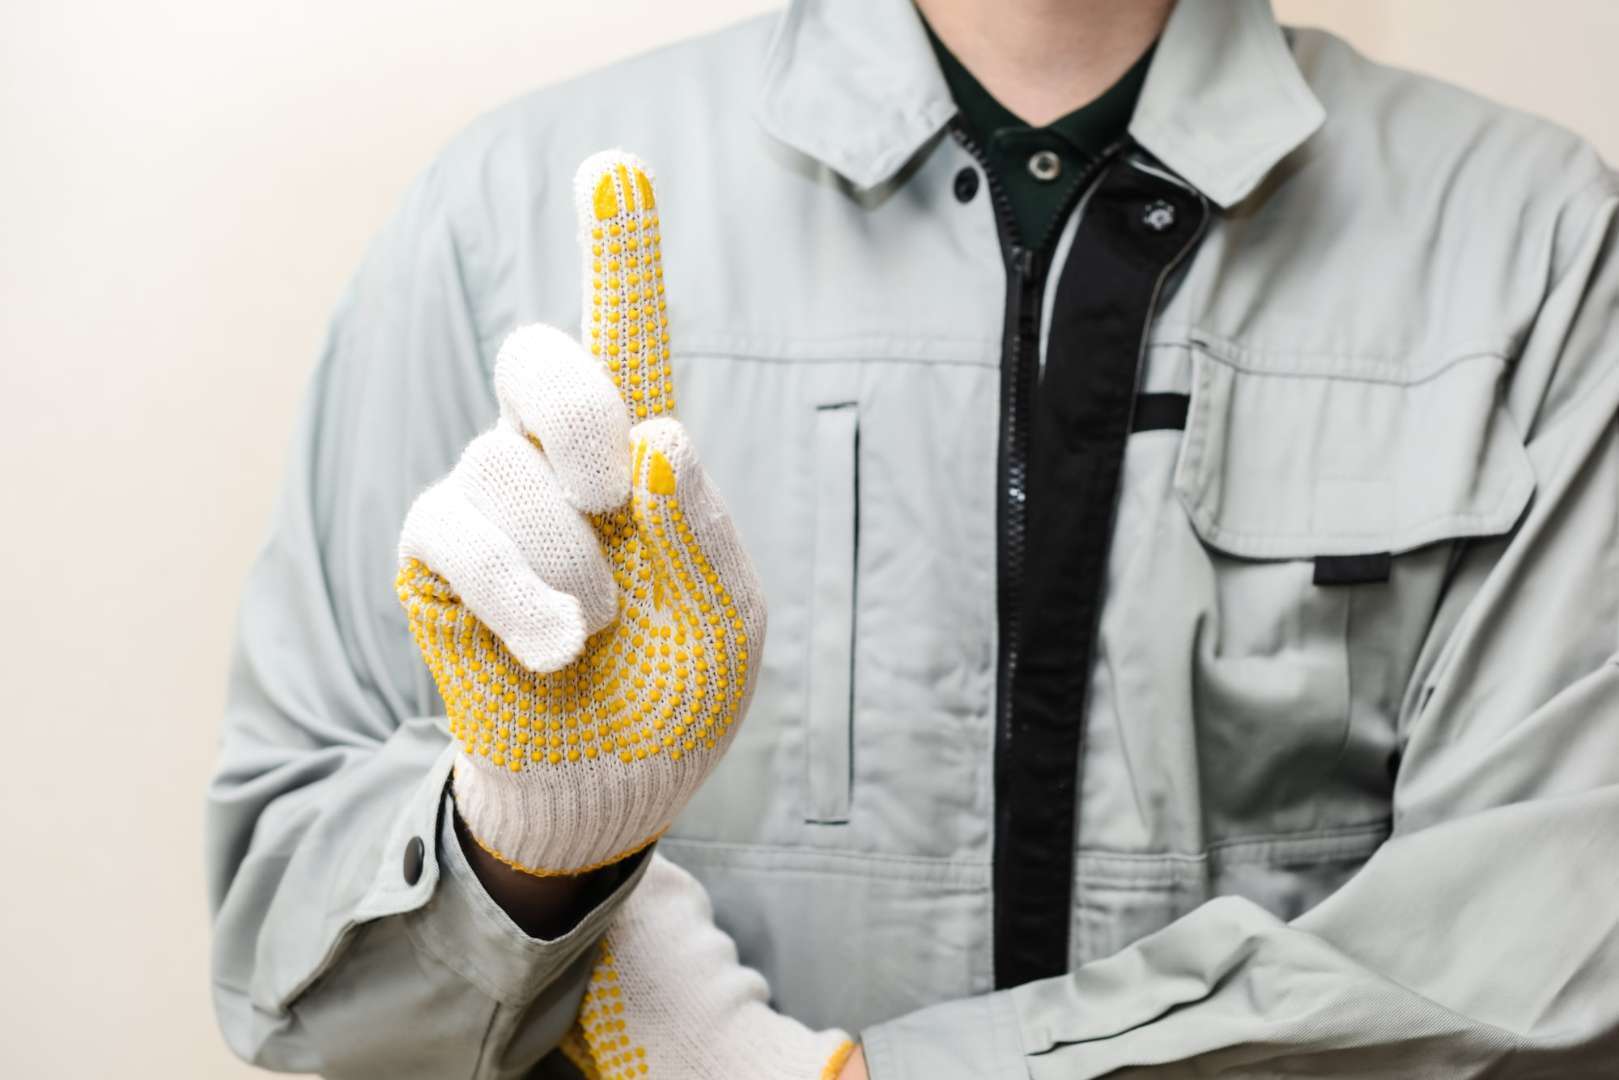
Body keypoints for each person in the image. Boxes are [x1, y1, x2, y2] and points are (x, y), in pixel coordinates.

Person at [206, 0, 1619, 1075]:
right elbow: (300, 981)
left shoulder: (1539, 253)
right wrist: (529, 853)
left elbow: (1555, 955)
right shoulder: (506, 217)